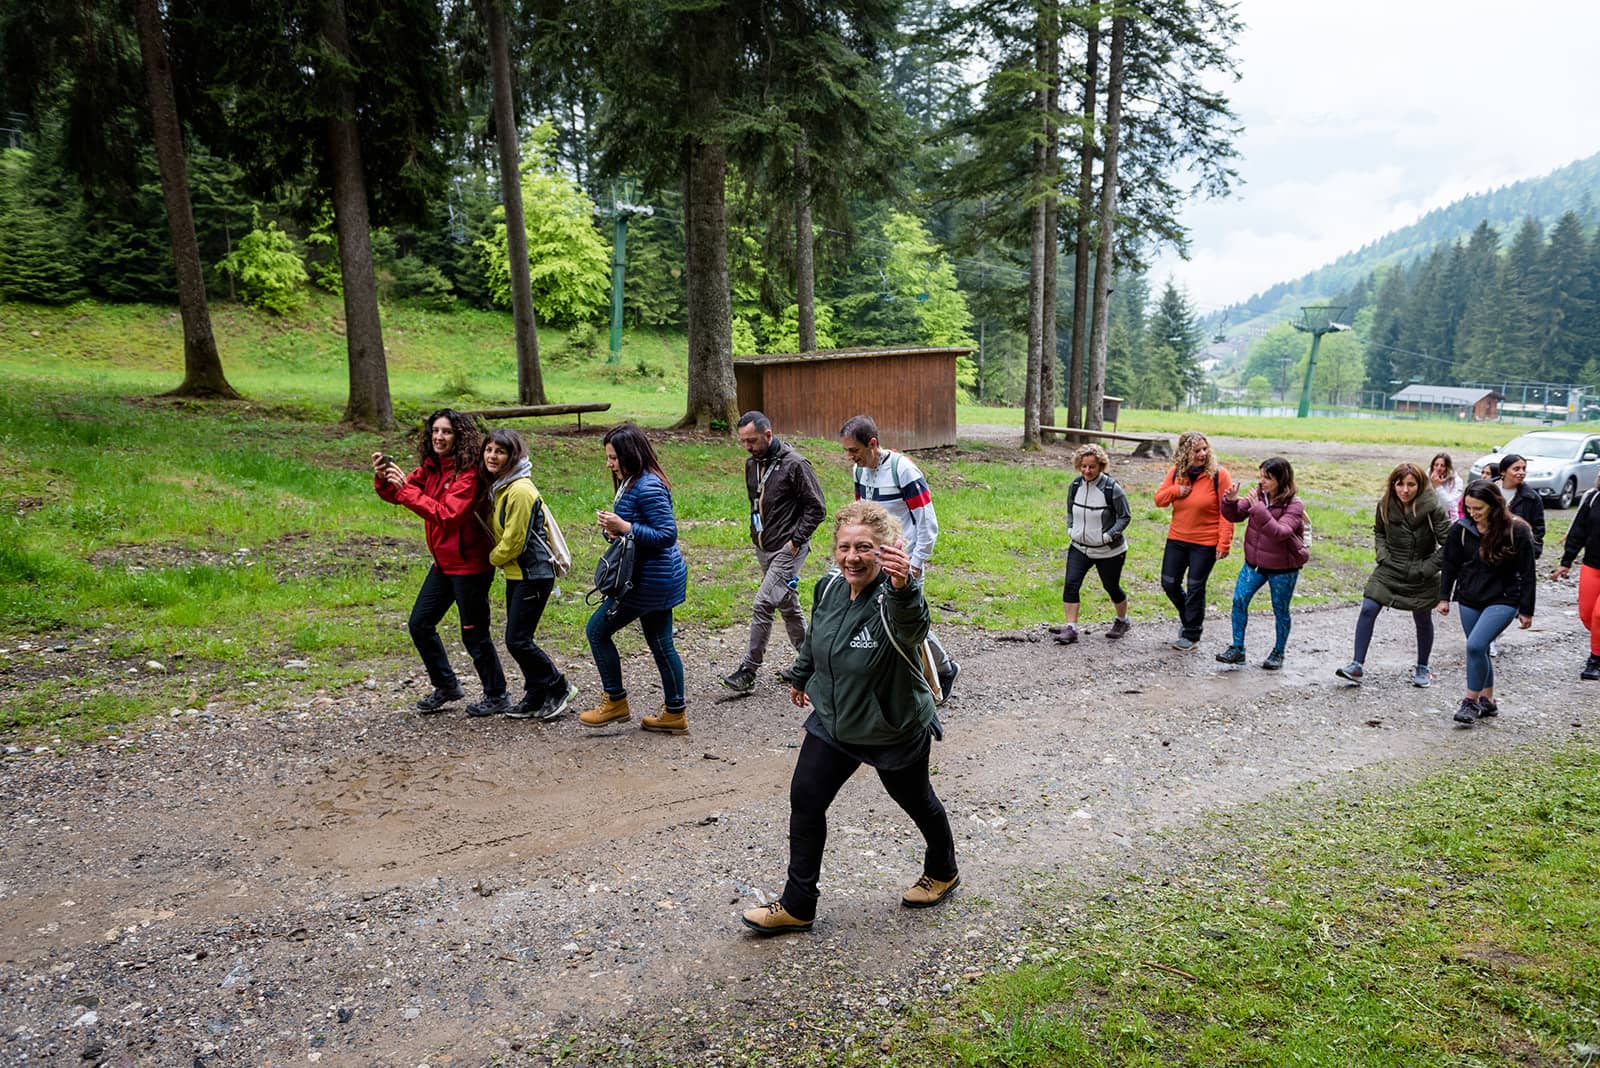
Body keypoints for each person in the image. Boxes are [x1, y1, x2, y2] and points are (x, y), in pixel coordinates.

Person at [741, 501, 958, 936]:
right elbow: (817, 637)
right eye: (845, 547)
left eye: (864, 548)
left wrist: (904, 586)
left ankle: (943, 870)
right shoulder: (830, 587)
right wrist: (802, 673)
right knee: (806, 798)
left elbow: (912, 627)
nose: (852, 557)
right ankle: (798, 905)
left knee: (916, 800)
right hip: (835, 719)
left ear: (884, 550)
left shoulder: (894, 599)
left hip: (890, 724)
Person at [372, 409, 508, 715]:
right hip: (444, 563)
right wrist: (384, 478)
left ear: (460, 437)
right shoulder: (432, 467)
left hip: (471, 566)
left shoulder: (469, 474)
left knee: (474, 633)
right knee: (420, 624)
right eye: (435, 431)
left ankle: (497, 694)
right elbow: (400, 495)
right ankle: (446, 686)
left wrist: (405, 490)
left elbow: (447, 515)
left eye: (446, 432)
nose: (439, 437)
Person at [578, 423, 690, 734]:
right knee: (661, 643)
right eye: (608, 457)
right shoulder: (633, 481)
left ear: (631, 455)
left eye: (614, 457)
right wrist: (613, 529)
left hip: (648, 581)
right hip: (655, 578)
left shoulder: (648, 486)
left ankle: (615, 701)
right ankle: (675, 713)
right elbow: (635, 530)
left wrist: (625, 527)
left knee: (597, 631)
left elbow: (666, 534)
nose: (609, 464)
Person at [840, 415, 960, 701]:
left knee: (907, 622)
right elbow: (861, 515)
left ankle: (942, 670)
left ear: (872, 443)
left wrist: (915, 564)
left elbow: (927, 522)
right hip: (871, 563)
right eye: (847, 451)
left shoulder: (903, 471)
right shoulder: (859, 472)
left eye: (854, 450)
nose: (850, 457)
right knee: (875, 619)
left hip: (902, 564)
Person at [721, 411, 827, 692]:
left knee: (763, 603)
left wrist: (795, 541)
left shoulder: (796, 464)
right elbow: (755, 503)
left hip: (787, 549)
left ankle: (748, 670)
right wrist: (756, 535)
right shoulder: (752, 464)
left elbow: (817, 508)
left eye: (752, 441)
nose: (747, 447)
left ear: (768, 435)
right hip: (764, 546)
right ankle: (811, 663)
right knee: (787, 603)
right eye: (743, 441)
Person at [481, 428, 576, 721]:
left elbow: (515, 541)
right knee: (519, 638)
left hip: (534, 574)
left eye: (500, 451)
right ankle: (535, 696)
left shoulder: (520, 490)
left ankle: (558, 686)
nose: (492, 456)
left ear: (513, 456)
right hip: (518, 574)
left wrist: (491, 558)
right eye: (489, 450)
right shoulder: (503, 486)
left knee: (517, 640)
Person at [1336, 463, 1451, 688]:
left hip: (1421, 571)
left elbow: (1449, 545)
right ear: (1393, 485)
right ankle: (1356, 664)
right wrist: (1382, 555)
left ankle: (1423, 667)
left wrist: (1427, 568)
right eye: (1400, 484)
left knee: (1422, 617)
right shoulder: (1385, 505)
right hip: (1390, 567)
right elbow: (1379, 532)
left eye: (1411, 484)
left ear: (1420, 485)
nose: (1405, 490)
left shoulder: (1432, 509)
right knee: (1369, 606)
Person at [1438, 479, 1537, 725]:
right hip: (1469, 597)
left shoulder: (1517, 530)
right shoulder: (1461, 529)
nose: (1472, 513)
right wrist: (1444, 597)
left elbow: (1528, 573)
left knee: (1474, 646)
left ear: (1494, 505)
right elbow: (1450, 564)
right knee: (1479, 649)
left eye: (1478, 508)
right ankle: (1488, 701)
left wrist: (1526, 609)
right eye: (1468, 507)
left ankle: (1470, 701)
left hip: (1504, 599)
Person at [1215, 457, 1307, 670]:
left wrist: (1258, 509)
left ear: (1281, 480)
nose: (1261, 481)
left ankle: (1278, 652)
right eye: (1261, 476)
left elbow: (1280, 532)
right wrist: (1230, 501)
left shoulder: (1294, 505)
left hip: (1284, 568)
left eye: (1268, 478)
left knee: (1280, 609)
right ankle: (1238, 649)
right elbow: (1236, 515)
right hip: (1255, 564)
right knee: (1239, 600)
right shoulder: (1258, 495)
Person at [1153, 431, 1233, 650]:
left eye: (1205, 449)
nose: (1202, 454)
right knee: (1169, 583)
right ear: (1184, 453)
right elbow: (1159, 500)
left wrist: (1224, 542)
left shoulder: (1219, 475)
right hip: (1177, 538)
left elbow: (1227, 512)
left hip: (1205, 542)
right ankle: (1190, 619)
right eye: (1196, 450)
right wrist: (1175, 490)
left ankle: (1192, 634)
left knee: (1195, 586)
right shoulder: (1176, 473)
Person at [1056, 443, 1132, 644]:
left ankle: (1122, 620)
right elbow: (1070, 510)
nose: (1087, 471)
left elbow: (1125, 516)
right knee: (1071, 584)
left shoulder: (1112, 489)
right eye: (1084, 466)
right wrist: (1070, 528)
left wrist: (1108, 535)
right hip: (1079, 547)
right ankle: (1071, 628)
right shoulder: (1075, 486)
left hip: (1109, 551)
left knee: (1111, 586)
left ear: (1101, 466)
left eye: (1092, 467)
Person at [1552, 474, 1600, 681]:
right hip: (1592, 565)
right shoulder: (1593, 497)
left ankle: (1595, 659)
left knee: (1599, 615)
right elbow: (1579, 530)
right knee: (1587, 615)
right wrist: (1566, 562)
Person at [1428, 452, 1464, 518]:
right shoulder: (1428, 476)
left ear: (1448, 467)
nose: (1438, 468)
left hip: (1449, 518)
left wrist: (1438, 487)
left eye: (1442, 466)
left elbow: (1450, 506)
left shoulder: (1457, 481)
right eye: (1436, 465)